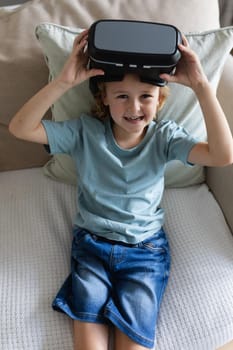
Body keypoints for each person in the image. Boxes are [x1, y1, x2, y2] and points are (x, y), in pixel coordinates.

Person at [9, 28, 233, 350]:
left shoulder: (164, 137)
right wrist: (64, 81)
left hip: (145, 253)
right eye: (122, 96)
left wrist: (201, 86)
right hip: (92, 249)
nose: (135, 107)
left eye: (146, 97)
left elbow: (222, 155)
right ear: (104, 99)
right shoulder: (84, 132)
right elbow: (20, 128)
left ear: (159, 100)